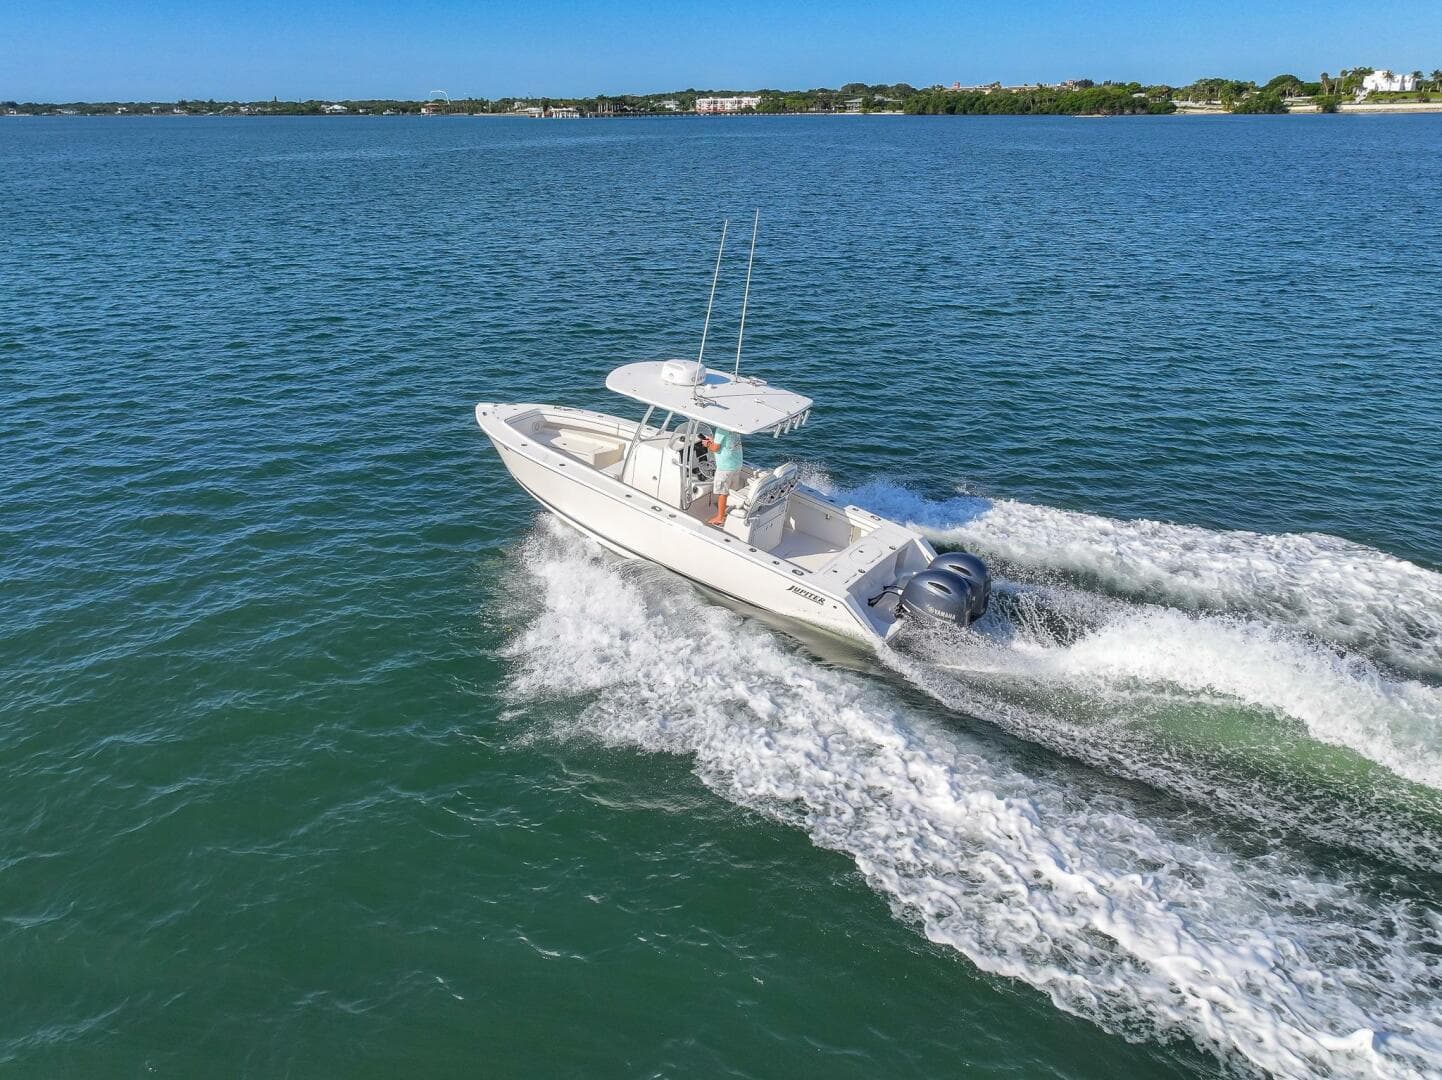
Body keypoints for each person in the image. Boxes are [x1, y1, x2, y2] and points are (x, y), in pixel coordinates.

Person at [704, 428, 743, 525]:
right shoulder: (735, 428)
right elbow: (726, 444)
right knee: (731, 491)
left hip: (725, 468)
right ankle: (727, 511)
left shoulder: (720, 430)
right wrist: (713, 441)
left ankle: (720, 517)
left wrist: (708, 444)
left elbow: (715, 448)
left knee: (723, 493)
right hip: (736, 464)